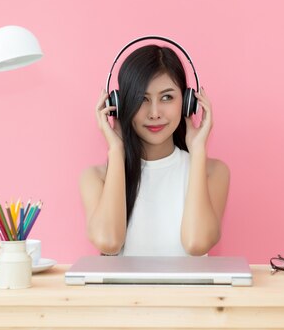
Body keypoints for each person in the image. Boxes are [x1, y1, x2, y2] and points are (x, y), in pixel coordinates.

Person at [80, 44, 230, 256]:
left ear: (188, 102)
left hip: (190, 291)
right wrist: (116, 149)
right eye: (142, 99)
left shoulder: (212, 172)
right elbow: (109, 242)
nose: (154, 113)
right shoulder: (96, 178)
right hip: (125, 292)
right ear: (121, 105)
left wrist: (198, 152)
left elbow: (197, 243)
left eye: (167, 97)